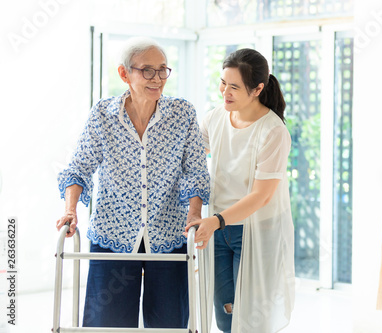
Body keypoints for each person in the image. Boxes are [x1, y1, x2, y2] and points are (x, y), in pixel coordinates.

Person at [56, 37, 210, 328]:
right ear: (124, 74)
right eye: (147, 70)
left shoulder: (182, 114)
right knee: (107, 322)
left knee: (169, 323)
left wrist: (194, 214)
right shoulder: (103, 115)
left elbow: (195, 172)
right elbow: (79, 168)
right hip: (112, 234)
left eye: (163, 70)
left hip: (168, 234)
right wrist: (71, 210)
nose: (157, 79)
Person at [185, 48, 295, 333]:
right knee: (225, 315)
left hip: (258, 230)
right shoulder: (216, 118)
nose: (225, 92)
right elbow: (189, 158)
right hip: (219, 230)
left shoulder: (273, 131)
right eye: (223, 83)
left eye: (234, 86)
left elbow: (262, 196)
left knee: (251, 320)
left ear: (258, 88)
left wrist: (216, 220)